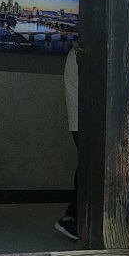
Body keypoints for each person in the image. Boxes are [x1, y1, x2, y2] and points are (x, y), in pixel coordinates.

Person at [55, 42, 80, 241]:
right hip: (86, 122)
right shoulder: (80, 55)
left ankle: (73, 215)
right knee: (90, 170)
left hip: (79, 122)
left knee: (86, 168)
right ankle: (74, 217)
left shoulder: (76, 53)